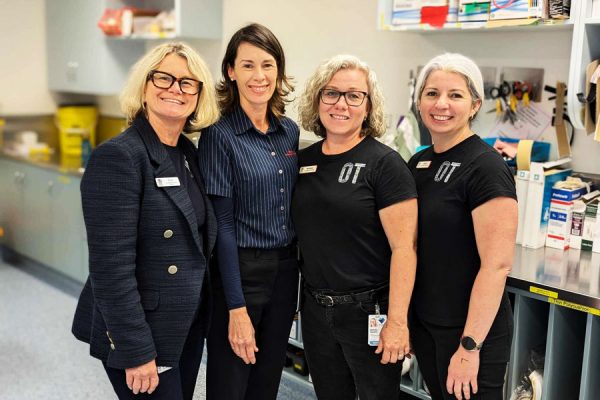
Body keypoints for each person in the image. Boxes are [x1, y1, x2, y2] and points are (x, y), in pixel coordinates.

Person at [71, 42, 220, 400]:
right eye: (164, 78)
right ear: (144, 85)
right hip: (142, 331)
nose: (175, 88)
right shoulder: (119, 157)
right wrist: (135, 350)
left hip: (183, 323)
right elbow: (110, 267)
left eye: (188, 82)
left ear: (199, 95)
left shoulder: (188, 153)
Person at [292, 54, 418, 400]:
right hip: (317, 308)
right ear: (317, 100)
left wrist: (397, 321)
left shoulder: (385, 165)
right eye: (331, 93)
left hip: (369, 312)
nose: (341, 104)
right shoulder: (304, 161)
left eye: (354, 95)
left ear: (368, 105)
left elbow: (405, 249)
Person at [196, 23, 299, 400]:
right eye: (249, 65)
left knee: (267, 381)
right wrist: (236, 308)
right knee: (231, 381)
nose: (259, 76)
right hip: (239, 270)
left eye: (268, 65)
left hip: (285, 273)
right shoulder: (219, 135)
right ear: (230, 71)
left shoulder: (288, 132)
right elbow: (221, 224)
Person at [407, 53, 518, 400]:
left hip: (469, 332)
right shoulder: (419, 162)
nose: (442, 104)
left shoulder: (486, 166)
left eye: (455, 95)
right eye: (432, 93)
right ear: (419, 101)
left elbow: (496, 265)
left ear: (474, 105)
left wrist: (470, 347)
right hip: (428, 323)